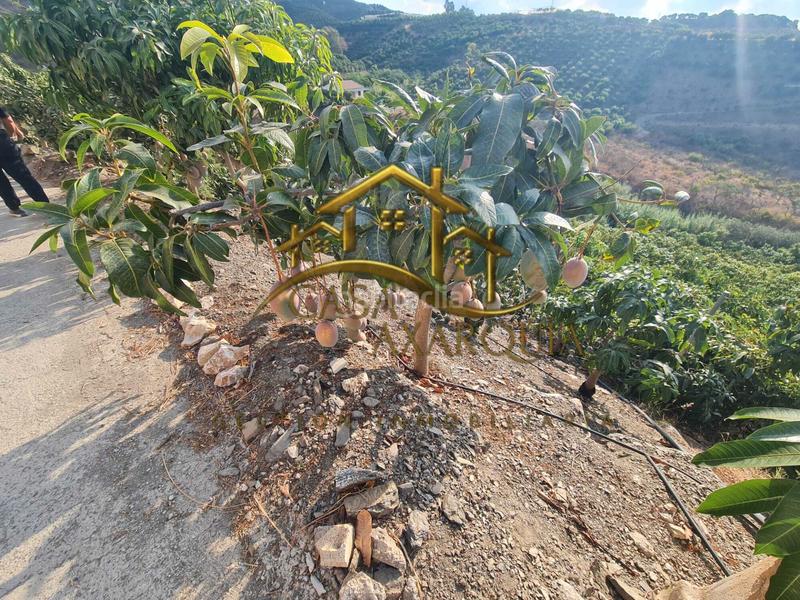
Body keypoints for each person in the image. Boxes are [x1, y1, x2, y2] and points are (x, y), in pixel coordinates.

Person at [0, 106, 49, 216]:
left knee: (1, 182)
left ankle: (14, 208)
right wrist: (12, 135)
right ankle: (44, 206)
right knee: (23, 176)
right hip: (3, 144)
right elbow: (8, 120)